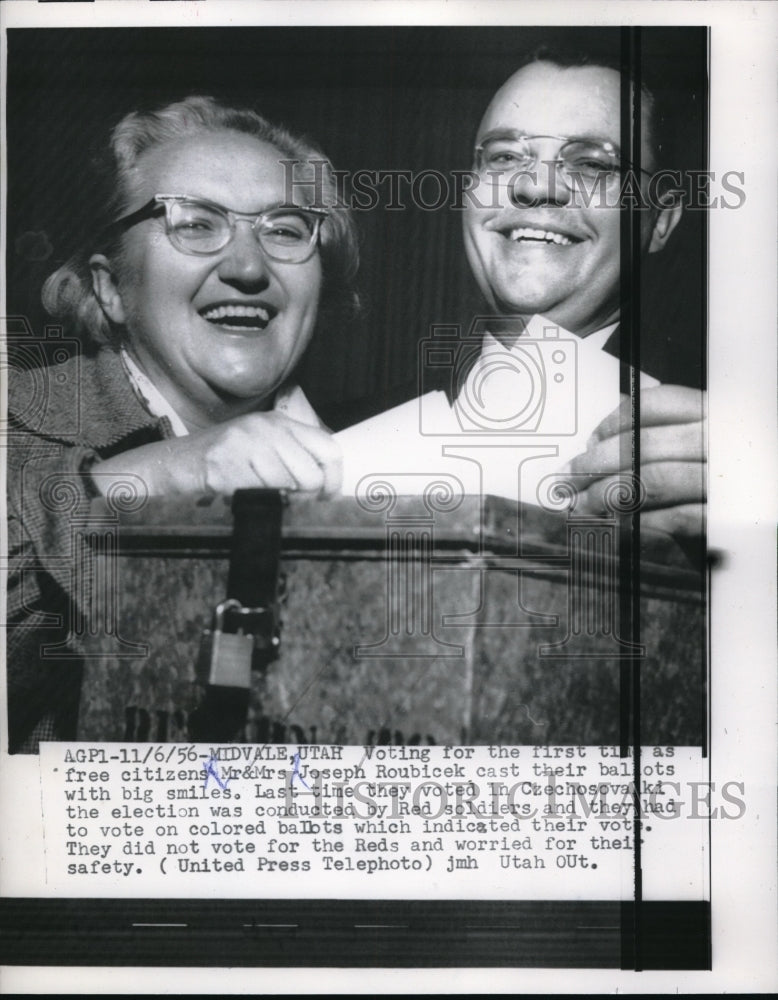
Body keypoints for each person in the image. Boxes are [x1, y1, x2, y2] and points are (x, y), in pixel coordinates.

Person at [6, 96, 358, 751]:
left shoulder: (385, 467)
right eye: (195, 224)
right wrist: (160, 476)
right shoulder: (14, 432)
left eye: (284, 228)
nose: (249, 267)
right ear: (111, 287)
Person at [460, 49, 706, 539]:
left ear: (660, 221)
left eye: (593, 164)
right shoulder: (335, 436)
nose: (534, 186)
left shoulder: (732, 453)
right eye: (505, 156)